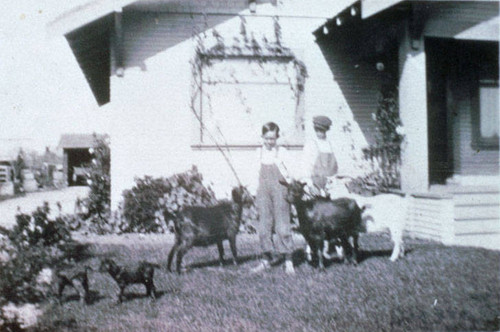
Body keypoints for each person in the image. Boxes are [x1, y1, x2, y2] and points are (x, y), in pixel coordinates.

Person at [251, 122, 295, 274]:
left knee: (282, 225)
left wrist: (289, 182)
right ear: (262, 137)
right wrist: (252, 190)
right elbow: (252, 173)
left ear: (277, 137)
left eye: (273, 138)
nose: (270, 142)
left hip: (280, 190)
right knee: (264, 226)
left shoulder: (282, 152)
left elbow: (291, 172)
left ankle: (288, 260)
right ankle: (266, 259)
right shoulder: (258, 153)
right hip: (263, 191)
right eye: (267, 138)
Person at [302, 115, 338, 196]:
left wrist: (333, 182)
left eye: (322, 130)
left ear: (327, 130)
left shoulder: (331, 145)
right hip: (315, 183)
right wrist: (310, 185)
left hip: (330, 185)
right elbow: (305, 166)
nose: (319, 133)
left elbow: (334, 167)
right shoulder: (311, 144)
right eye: (317, 130)